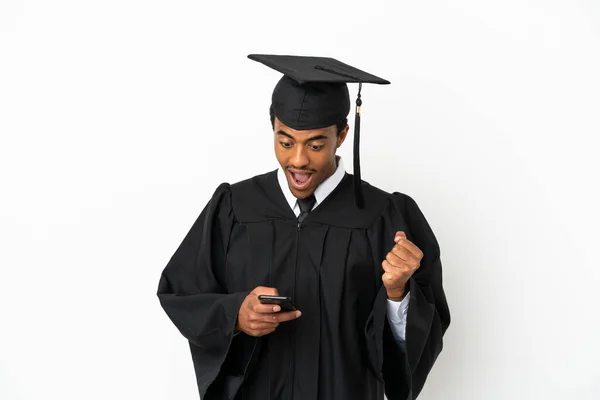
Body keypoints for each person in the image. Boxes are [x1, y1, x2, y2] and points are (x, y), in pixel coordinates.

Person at [157, 54, 450, 400]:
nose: (298, 160)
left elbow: (416, 345)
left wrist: (397, 293)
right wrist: (235, 314)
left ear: (341, 135)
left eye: (315, 145)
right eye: (285, 142)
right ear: (273, 129)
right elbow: (181, 294)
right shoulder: (235, 206)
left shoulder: (383, 215)